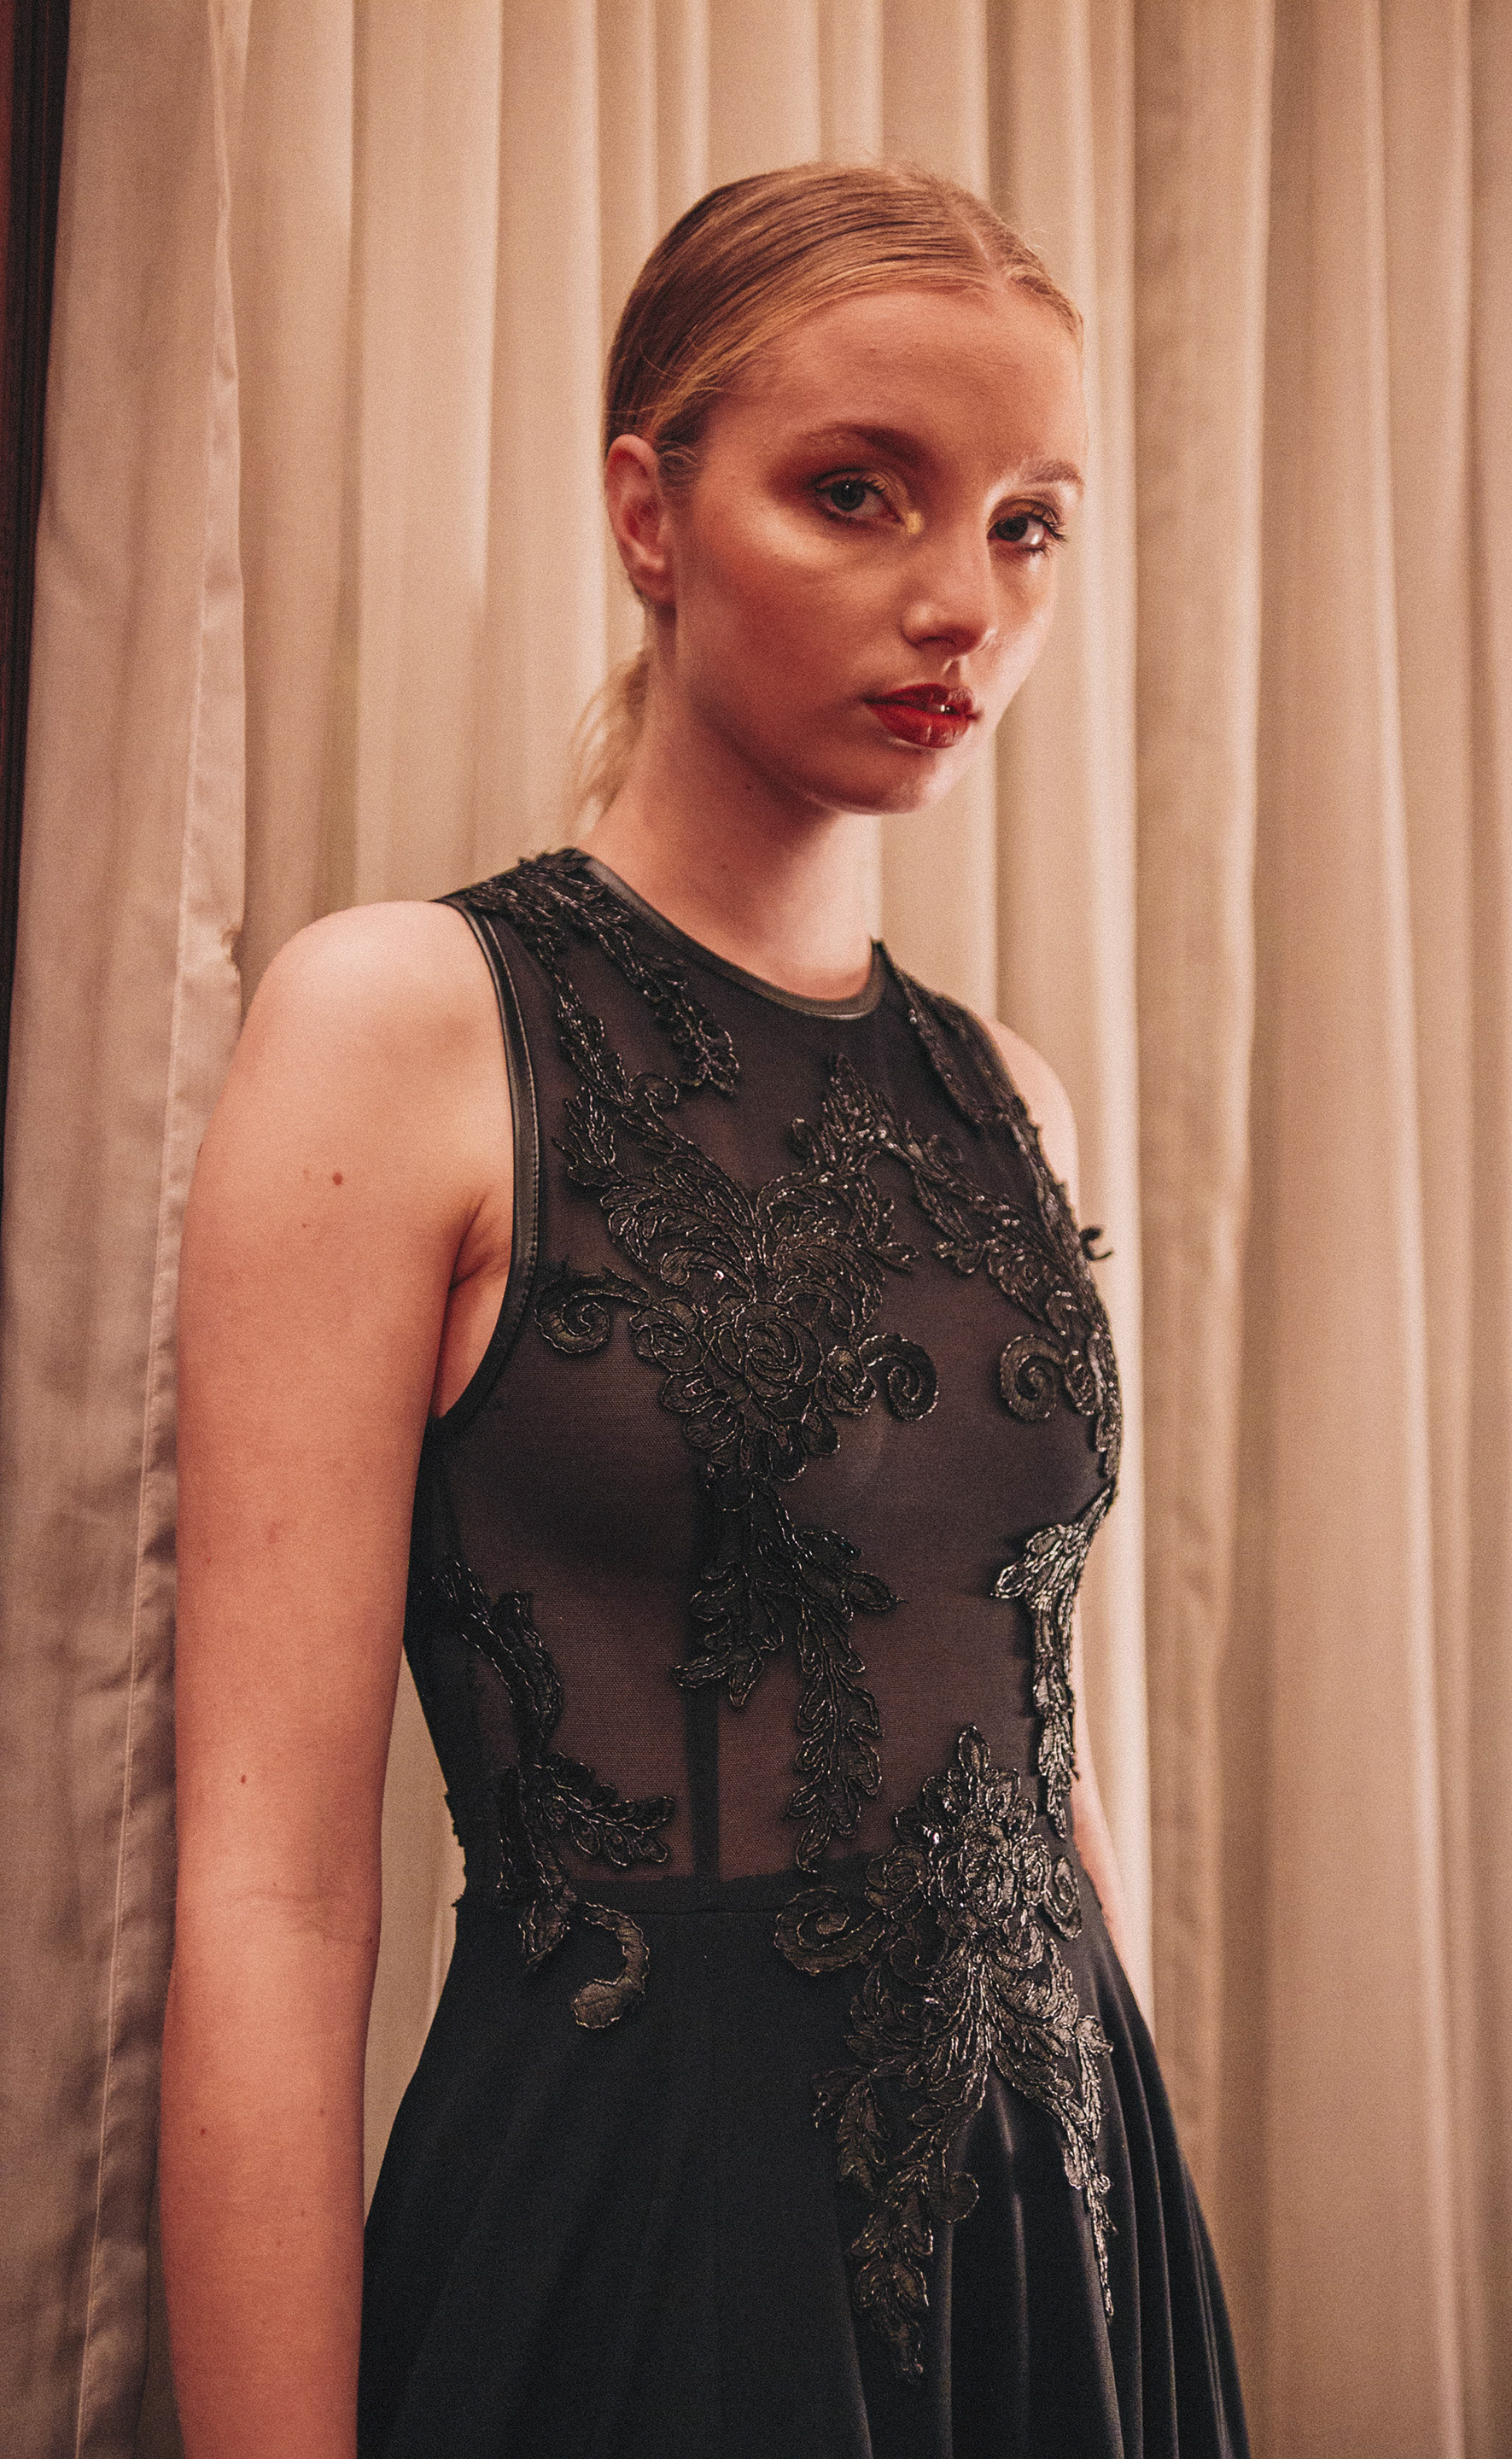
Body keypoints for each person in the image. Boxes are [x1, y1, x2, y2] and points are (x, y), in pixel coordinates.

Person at [161, 163, 1248, 2458]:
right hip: (643, 2250)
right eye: (858, 493)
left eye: (1029, 526)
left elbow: (1050, 1767)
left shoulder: (1013, 1100)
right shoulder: (405, 1023)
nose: (962, 602)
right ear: (648, 515)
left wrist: (1132, 2278)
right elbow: (269, 1899)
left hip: (1062, 2238)